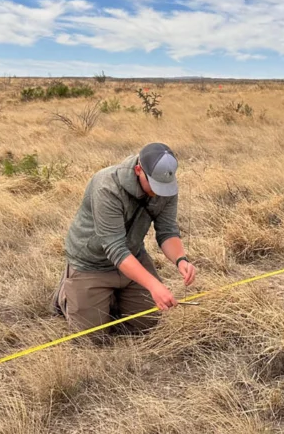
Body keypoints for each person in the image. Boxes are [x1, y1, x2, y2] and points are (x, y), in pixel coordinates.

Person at [53, 142, 197, 336]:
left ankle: (111, 298)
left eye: (164, 187)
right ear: (139, 170)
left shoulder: (165, 186)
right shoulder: (106, 186)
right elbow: (115, 248)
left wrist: (181, 260)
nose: (159, 192)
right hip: (92, 263)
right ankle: (66, 293)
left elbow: (167, 230)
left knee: (147, 324)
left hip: (133, 256)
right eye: (154, 185)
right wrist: (154, 285)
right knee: (90, 337)